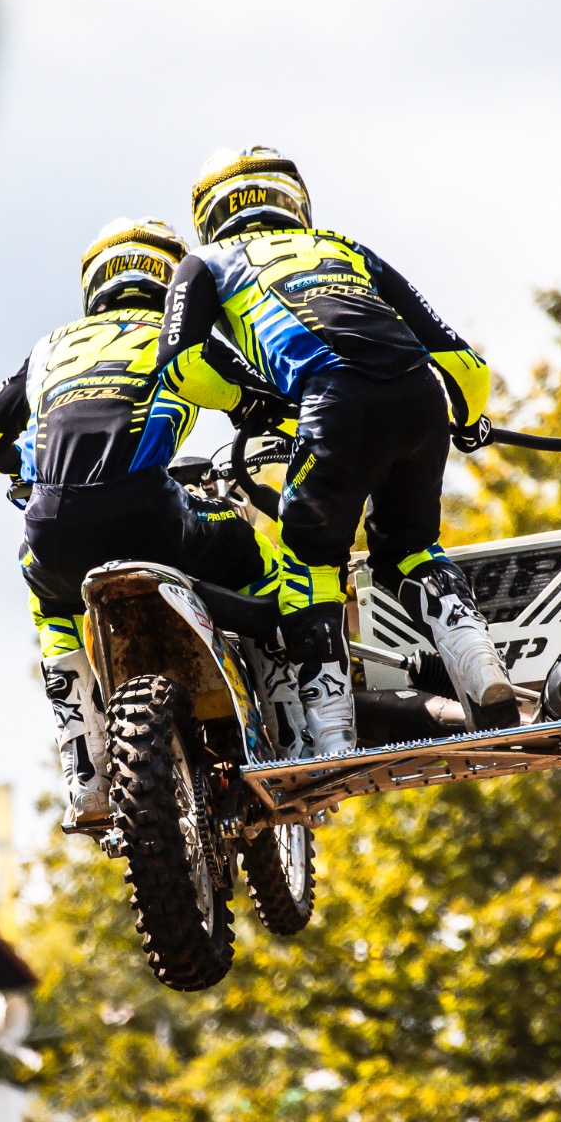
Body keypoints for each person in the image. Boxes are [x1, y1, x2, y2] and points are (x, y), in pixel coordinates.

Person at [154, 146, 517, 758]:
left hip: (334, 402)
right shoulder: (343, 247)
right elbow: (464, 363)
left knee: (310, 566)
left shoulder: (204, 263)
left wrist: (246, 403)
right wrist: (469, 421)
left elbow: (182, 364)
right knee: (408, 548)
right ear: (294, 202)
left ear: (208, 215)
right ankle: (479, 662)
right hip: (420, 397)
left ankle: (331, 736)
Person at [0, 217, 283, 824]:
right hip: (153, 516)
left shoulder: (49, 349)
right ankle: (292, 720)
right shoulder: (178, 332)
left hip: (53, 528)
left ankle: (84, 770)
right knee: (261, 557)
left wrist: (37, 469)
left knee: (47, 600)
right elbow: (265, 406)